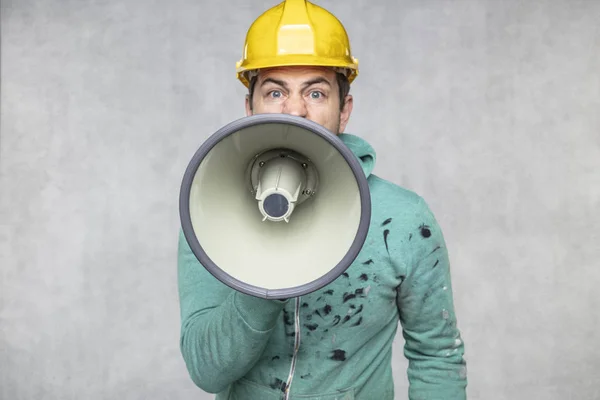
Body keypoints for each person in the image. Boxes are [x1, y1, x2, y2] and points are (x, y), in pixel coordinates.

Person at [177, 0, 468, 399]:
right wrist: (265, 274)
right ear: (250, 108)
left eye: (315, 92)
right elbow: (207, 371)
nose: (295, 109)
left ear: (343, 110)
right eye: (275, 91)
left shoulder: (402, 219)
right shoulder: (207, 212)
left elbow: (437, 354)